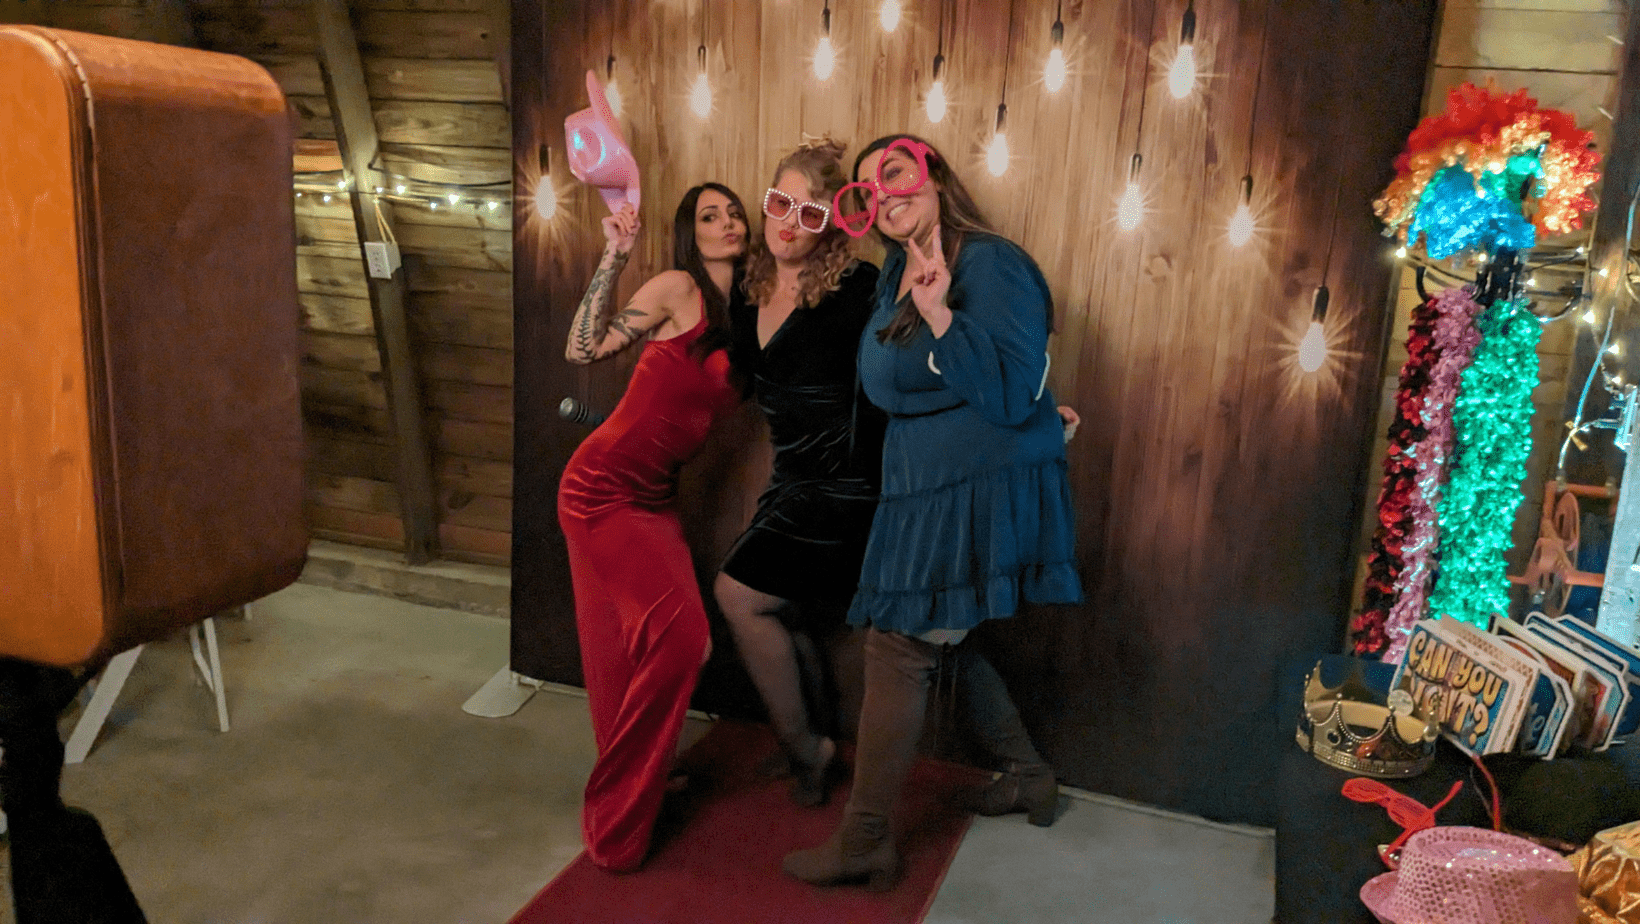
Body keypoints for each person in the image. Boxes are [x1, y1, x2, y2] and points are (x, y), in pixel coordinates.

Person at [783, 134, 1084, 890]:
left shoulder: (994, 263)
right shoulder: (894, 270)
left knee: (901, 646)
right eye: (865, 193)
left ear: (935, 176)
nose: (883, 195)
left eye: (894, 175)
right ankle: (1027, 774)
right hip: (924, 489)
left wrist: (944, 317)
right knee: (941, 639)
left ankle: (867, 838)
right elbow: (884, 386)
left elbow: (1014, 394)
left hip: (972, 493)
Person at [556, 183, 749, 872]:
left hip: (653, 496)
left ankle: (637, 776)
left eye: (733, 214)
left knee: (620, 648)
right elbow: (584, 349)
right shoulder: (675, 287)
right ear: (687, 233)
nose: (727, 223)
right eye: (709, 216)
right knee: (685, 639)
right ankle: (617, 817)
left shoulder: (742, 310)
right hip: (601, 489)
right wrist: (614, 254)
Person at [713, 139, 882, 808]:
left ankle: (807, 749)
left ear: (834, 223)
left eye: (810, 212)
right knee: (779, 609)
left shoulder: (857, 288)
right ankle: (810, 744)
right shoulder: (749, 289)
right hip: (792, 479)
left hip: (844, 483)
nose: (789, 221)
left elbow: (927, 348)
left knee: (739, 595)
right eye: (780, 203)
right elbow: (739, 385)